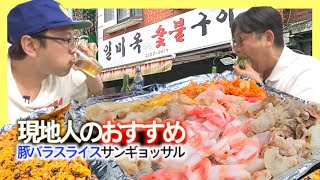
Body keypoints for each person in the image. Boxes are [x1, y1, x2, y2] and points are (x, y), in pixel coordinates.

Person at [7, 0, 103, 123]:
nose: (74, 48)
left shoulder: (61, 75)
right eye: (67, 39)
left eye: (75, 40)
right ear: (30, 45)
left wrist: (89, 65)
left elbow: (96, 89)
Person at [232, 7, 320, 103]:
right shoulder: (257, 74)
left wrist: (257, 88)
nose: (236, 50)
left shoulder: (308, 72)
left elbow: (305, 116)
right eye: (235, 43)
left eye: (240, 41)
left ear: (268, 38)